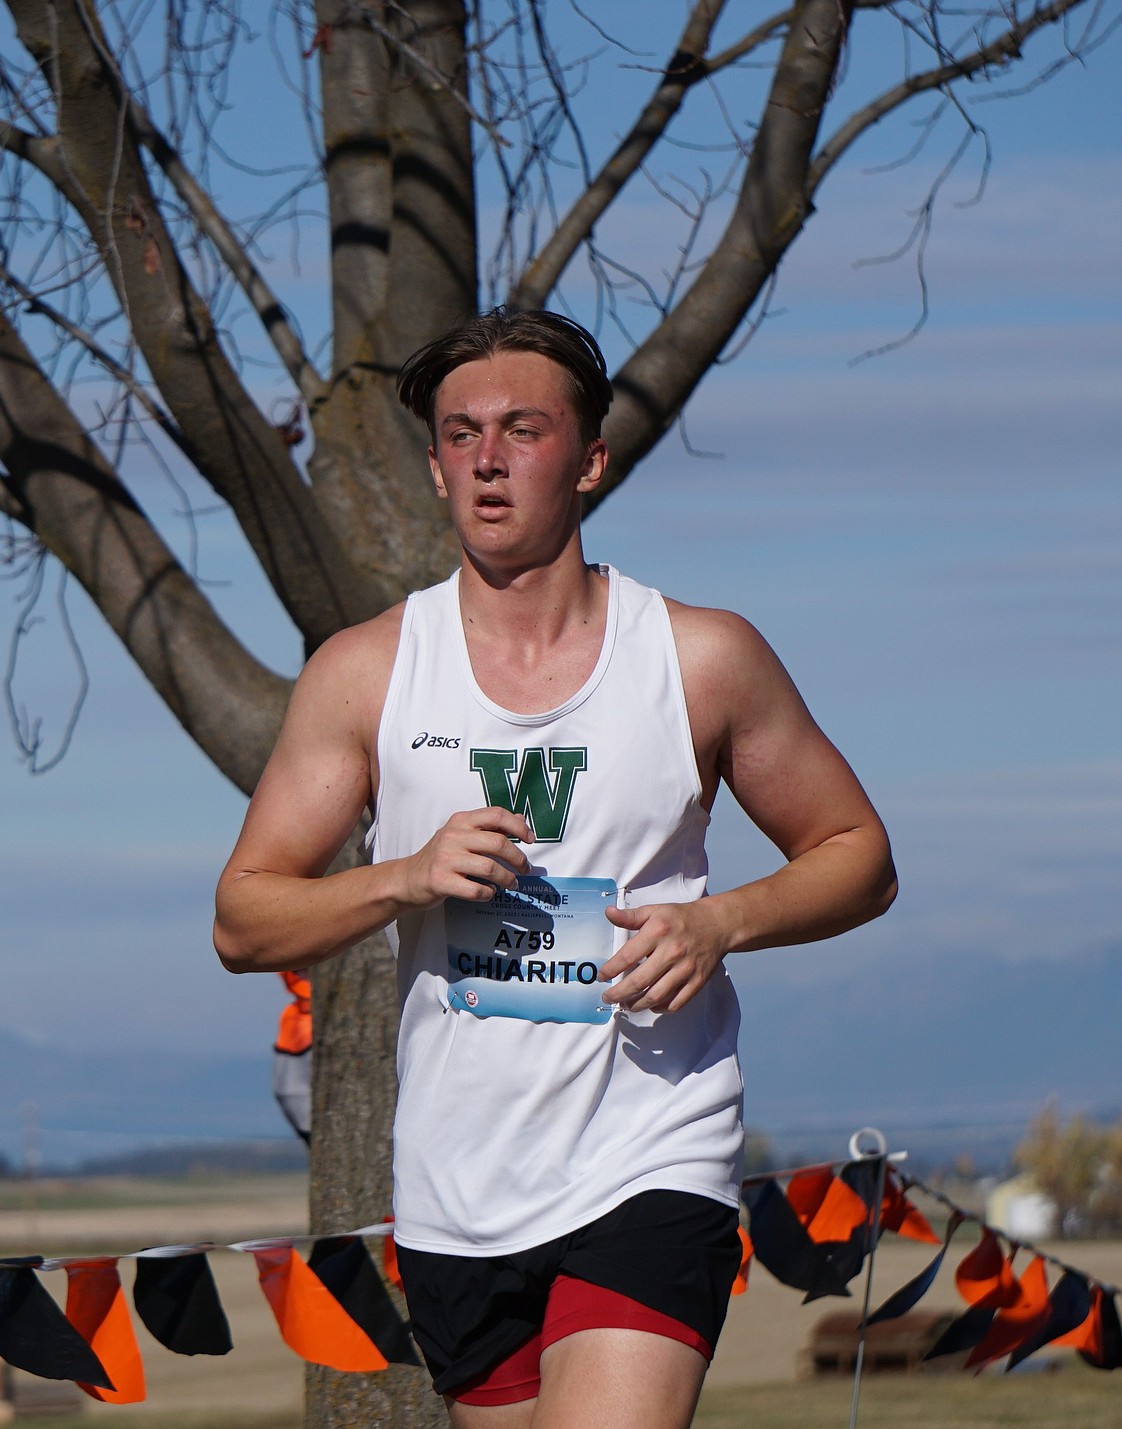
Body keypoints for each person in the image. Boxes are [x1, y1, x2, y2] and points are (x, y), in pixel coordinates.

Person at [214, 308, 896, 1426]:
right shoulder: (367, 675)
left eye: (522, 429)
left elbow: (858, 856)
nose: (487, 456)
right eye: (460, 432)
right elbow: (244, 920)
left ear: (589, 460)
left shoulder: (698, 657)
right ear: (435, 467)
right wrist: (404, 874)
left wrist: (720, 923)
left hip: (649, 1151)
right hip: (456, 1192)